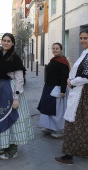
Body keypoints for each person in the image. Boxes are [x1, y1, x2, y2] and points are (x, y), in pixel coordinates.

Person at [0, 33, 34, 160]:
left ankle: (13, 150)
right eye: (4, 40)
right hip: (0, 93)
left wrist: (16, 98)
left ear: (13, 43)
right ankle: (6, 145)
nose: (5, 43)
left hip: (12, 91)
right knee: (3, 118)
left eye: (8, 41)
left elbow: (20, 79)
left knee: (13, 121)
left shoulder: (15, 58)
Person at [55, 30, 88, 165]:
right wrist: (70, 79)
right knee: (81, 124)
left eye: (85, 38)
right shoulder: (84, 53)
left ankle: (68, 156)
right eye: (81, 38)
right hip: (79, 92)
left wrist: (71, 82)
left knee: (73, 124)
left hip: (82, 94)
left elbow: (86, 77)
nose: (82, 40)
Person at [37, 43, 70, 138]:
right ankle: (49, 127)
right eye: (53, 48)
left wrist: (63, 91)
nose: (55, 50)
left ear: (61, 50)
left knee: (57, 111)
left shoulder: (63, 62)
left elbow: (64, 77)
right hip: (49, 88)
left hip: (57, 89)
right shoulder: (53, 60)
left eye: (57, 48)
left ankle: (59, 130)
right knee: (47, 108)